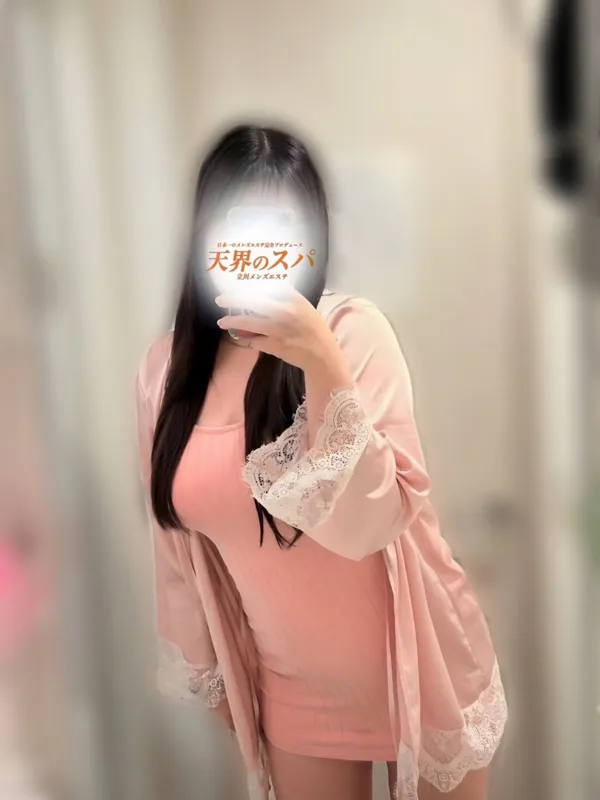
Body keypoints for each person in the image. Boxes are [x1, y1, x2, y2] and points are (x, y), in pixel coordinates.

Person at [135, 124, 507, 800]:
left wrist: (320, 360)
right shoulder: (164, 372)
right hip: (293, 693)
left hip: (421, 670)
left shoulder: (352, 333)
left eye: (282, 226)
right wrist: (215, 678)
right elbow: (175, 552)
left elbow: (374, 521)